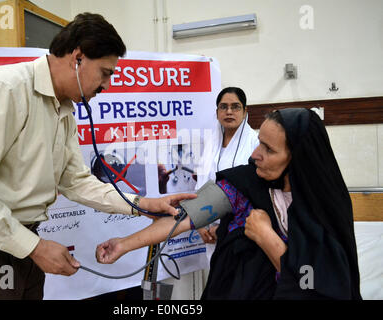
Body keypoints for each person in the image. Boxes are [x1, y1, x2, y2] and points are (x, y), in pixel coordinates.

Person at [0, 13, 195, 300]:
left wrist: (143, 204)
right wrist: (32, 247)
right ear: (78, 57)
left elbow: (75, 181)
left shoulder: (63, 108)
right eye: (105, 73)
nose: (106, 86)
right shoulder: (5, 88)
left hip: (21, 240)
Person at [96, 108, 362, 300]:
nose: (255, 155)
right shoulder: (241, 184)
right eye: (259, 142)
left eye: (269, 150)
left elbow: (315, 285)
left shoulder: (325, 207)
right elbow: (181, 218)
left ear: (298, 160)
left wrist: (267, 238)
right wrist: (124, 244)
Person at [195, 87, 258, 247]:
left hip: (241, 230)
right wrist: (199, 224)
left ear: (245, 111)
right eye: (223, 107)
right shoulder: (211, 143)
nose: (229, 111)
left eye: (235, 107)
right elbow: (201, 183)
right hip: (208, 230)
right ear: (217, 112)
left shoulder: (255, 143)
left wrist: (224, 227)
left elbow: (257, 193)